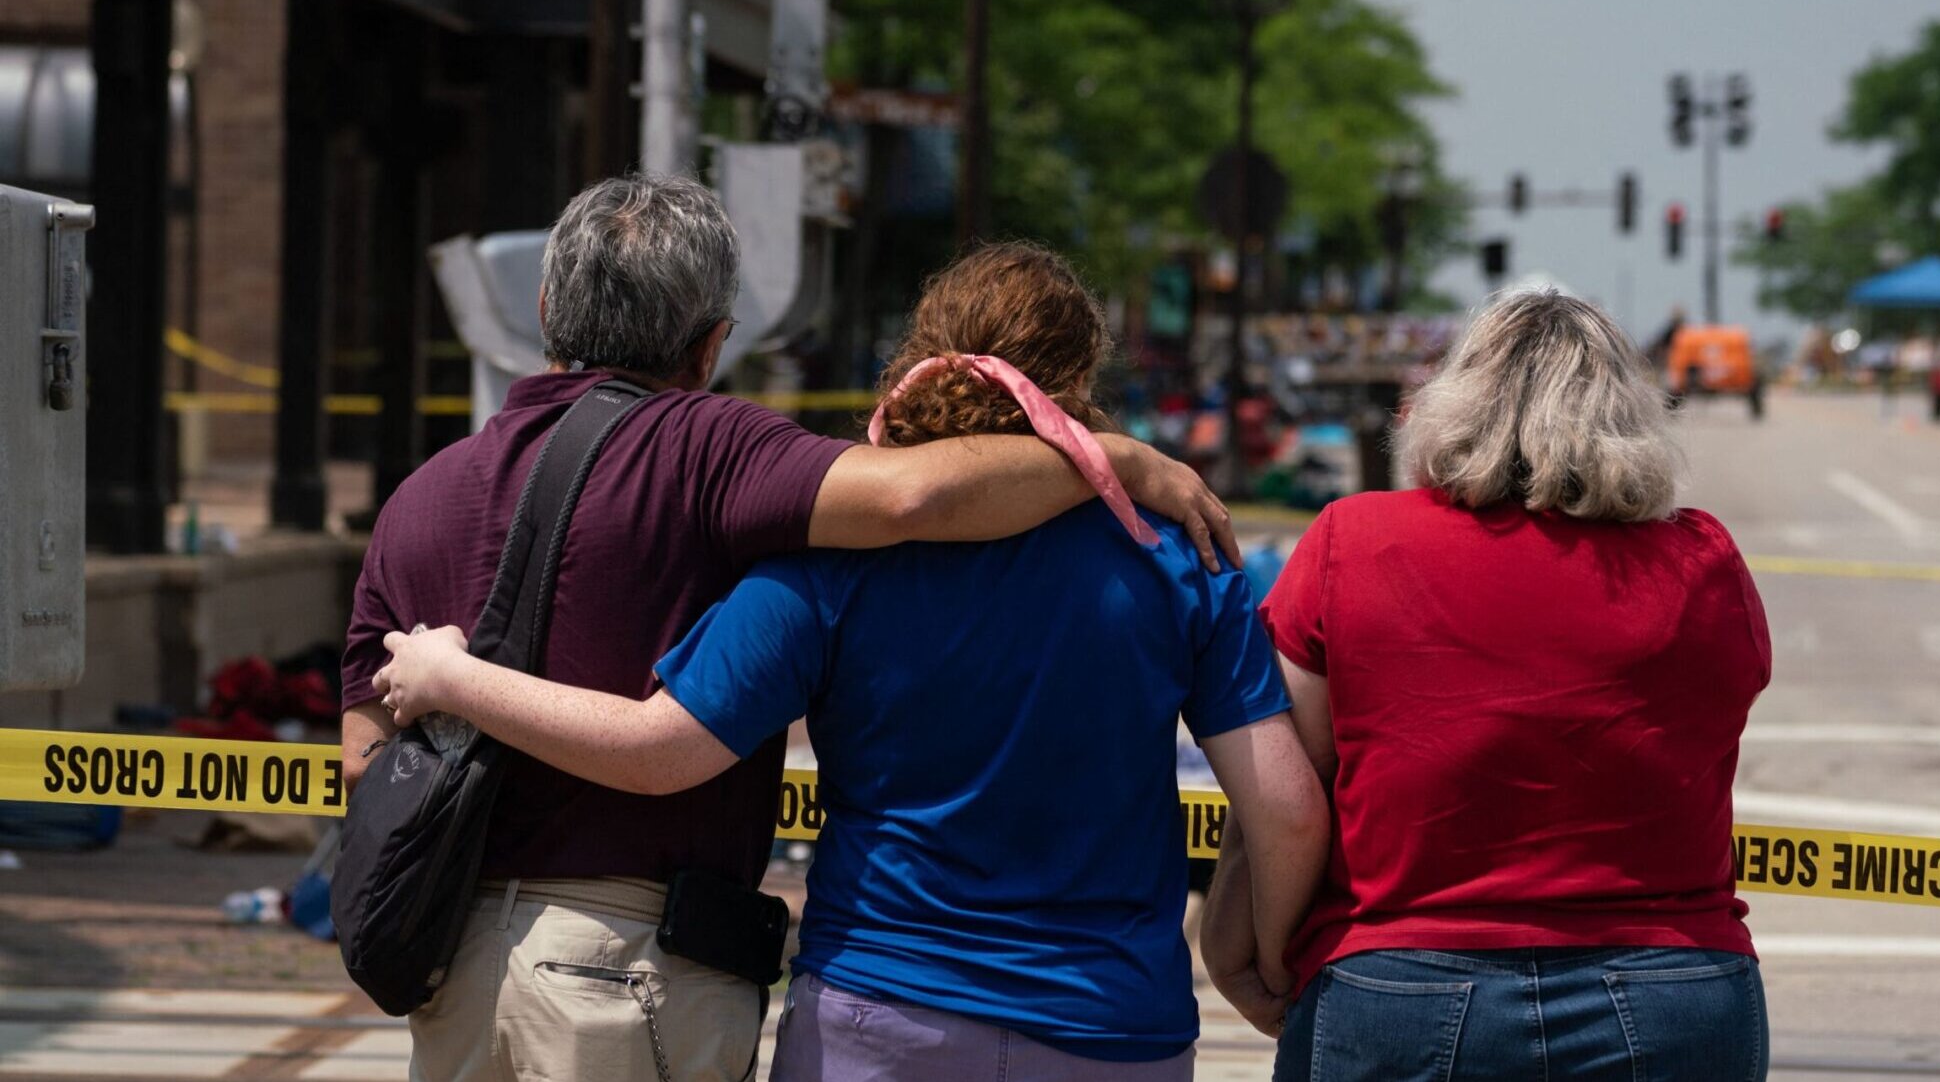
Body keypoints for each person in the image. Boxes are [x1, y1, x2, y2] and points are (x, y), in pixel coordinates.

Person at [371, 242, 1332, 1081]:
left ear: (921, 359)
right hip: (1114, 1026)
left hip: (877, 1021)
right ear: (1079, 381)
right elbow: (1284, 808)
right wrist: (1254, 955)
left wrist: (455, 681)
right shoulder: (1179, 561)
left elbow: (659, 750)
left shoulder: (833, 564)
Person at [1203, 288, 1773, 1082]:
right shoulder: (1704, 562)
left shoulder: (1352, 542)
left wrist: (1249, 950)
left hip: (1399, 987)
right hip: (1671, 991)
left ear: (1452, 402)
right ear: (1631, 415)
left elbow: (1282, 794)